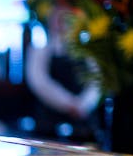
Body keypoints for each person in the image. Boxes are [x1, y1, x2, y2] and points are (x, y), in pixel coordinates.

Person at [24, 8, 101, 143]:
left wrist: (83, 105)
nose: (65, 25)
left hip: (84, 124)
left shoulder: (88, 53)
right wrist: (68, 104)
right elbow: (40, 83)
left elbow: (97, 81)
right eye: (61, 20)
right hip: (48, 125)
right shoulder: (40, 50)